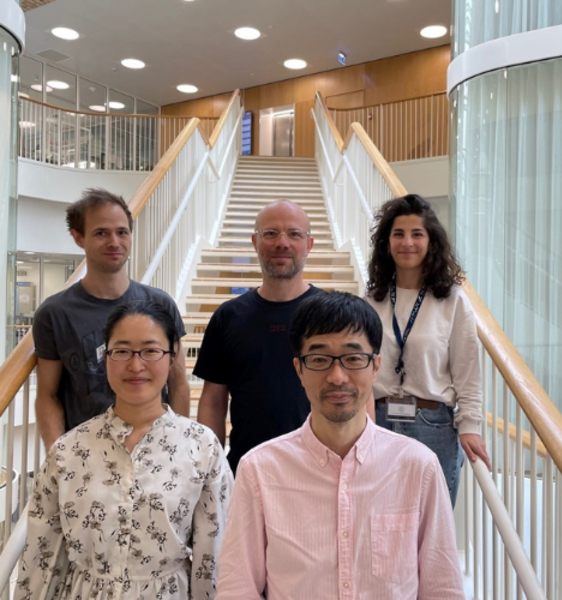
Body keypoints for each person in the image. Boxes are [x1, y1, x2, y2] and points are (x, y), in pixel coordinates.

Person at [216, 292, 464, 600]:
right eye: (319, 359)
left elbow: (442, 589)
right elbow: (237, 589)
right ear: (299, 369)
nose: (336, 377)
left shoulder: (418, 467)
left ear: (375, 366)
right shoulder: (260, 470)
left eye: (353, 358)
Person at [16, 301, 233, 600]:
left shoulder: (202, 447)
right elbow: (42, 558)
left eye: (151, 351)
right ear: (105, 358)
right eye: (121, 351)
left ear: (172, 359)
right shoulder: (68, 451)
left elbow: (214, 558)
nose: (136, 365)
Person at [33, 188, 190, 451]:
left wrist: (178, 447)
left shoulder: (161, 304)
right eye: (101, 233)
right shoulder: (55, 314)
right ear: (78, 238)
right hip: (86, 456)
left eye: (122, 232)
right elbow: (47, 395)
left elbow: (178, 383)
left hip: (155, 453)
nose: (114, 242)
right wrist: (56, 457)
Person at [365, 194, 490, 507]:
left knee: (432, 525)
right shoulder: (372, 300)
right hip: (377, 422)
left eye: (417, 234)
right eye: (398, 234)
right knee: (380, 521)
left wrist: (470, 425)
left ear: (431, 242)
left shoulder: (452, 300)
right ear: (387, 243)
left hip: (433, 426)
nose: (407, 242)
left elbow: (467, 371)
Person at [193, 199, 322, 473]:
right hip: (247, 470)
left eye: (294, 234)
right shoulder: (228, 317)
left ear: (309, 244)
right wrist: (210, 470)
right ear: (255, 241)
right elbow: (213, 401)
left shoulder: (331, 314)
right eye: (271, 233)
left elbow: (358, 394)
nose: (282, 243)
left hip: (318, 470)